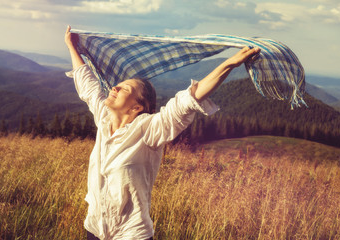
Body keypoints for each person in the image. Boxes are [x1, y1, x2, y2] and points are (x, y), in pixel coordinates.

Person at [64, 25, 260, 240]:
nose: (114, 88)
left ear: (137, 107)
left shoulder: (149, 129)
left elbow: (188, 101)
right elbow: (87, 85)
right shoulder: (103, 118)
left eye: (124, 89)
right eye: (117, 86)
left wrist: (229, 64)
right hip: (94, 228)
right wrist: (71, 46)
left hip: (130, 234)